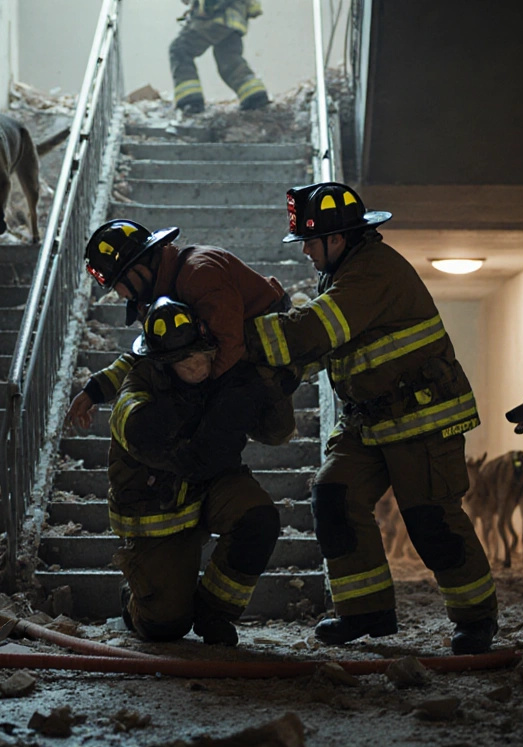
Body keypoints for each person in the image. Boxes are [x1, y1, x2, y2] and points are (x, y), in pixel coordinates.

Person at [245, 182, 500, 654]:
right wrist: (279, 376)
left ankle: (477, 619)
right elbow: (332, 347)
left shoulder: (374, 273)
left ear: (337, 239)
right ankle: (366, 613)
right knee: (334, 495)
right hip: (370, 421)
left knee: (431, 520)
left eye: (309, 241)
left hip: (423, 418)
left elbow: (319, 328)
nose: (304, 251)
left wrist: (244, 333)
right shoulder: (344, 272)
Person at [109, 297, 279, 646]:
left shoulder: (220, 375)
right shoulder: (139, 386)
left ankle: (213, 612)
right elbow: (141, 432)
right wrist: (187, 408)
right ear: (163, 364)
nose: (200, 367)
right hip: (160, 510)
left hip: (209, 487)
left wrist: (267, 392)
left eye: (203, 354)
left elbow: (275, 430)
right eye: (187, 361)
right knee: (165, 628)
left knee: (258, 518)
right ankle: (135, 601)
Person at [67, 219, 295, 445]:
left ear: (136, 271)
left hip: (259, 356)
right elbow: (151, 356)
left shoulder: (199, 276)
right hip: (231, 358)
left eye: (118, 285)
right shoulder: (161, 294)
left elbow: (230, 348)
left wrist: (191, 398)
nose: (119, 295)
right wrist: (95, 391)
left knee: (231, 421)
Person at [170, 0, 268, 114]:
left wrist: (203, 8)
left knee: (180, 49)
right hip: (235, 21)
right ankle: (254, 95)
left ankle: (190, 101)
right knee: (229, 59)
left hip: (216, 16)